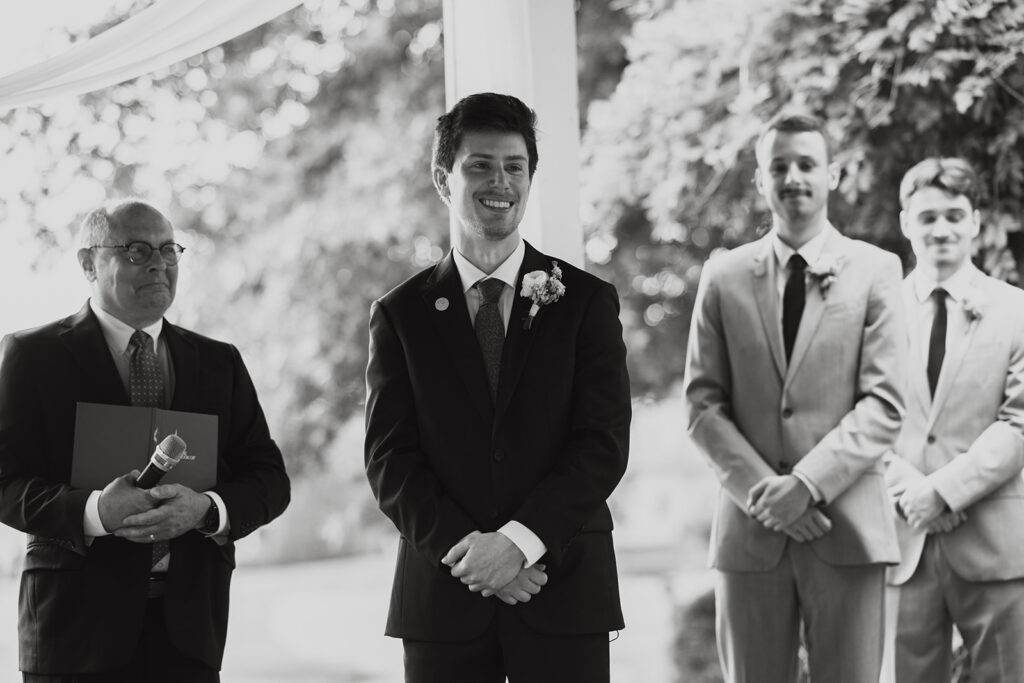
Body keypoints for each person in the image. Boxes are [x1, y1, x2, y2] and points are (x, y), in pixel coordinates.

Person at [363, 92, 631, 682]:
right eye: (479, 165)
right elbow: (389, 460)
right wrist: (474, 553)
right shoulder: (400, 314)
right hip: (443, 600)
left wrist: (518, 543)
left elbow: (603, 442)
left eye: (515, 166)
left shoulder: (586, 303)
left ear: (531, 178)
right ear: (444, 179)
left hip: (561, 591)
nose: (500, 181)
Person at [0, 199, 291, 682]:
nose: (158, 263)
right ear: (89, 263)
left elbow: (270, 480)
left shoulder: (220, 362)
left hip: (189, 635)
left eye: (169, 250)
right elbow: (4, 481)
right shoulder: (32, 356)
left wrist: (206, 508)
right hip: (73, 636)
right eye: (136, 250)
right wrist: (93, 511)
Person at [683, 111, 906, 682]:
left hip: (847, 529)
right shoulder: (723, 275)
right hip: (749, 532)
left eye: (807, 164)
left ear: (831, 174)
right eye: (777, 166)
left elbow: (884, 405)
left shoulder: (878, 271)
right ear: (761, 181)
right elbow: (702, 405)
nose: (793, 177)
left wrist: (805, 486)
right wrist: (768, 493)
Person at [880, 158, 1024, 682]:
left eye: (954, 215)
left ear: (975, 222)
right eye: (928, 217)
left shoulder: (1016, 310)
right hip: (901, 539)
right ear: (905, 224)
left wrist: (942, 490)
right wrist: (907, 488)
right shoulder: (875, 313)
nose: (941, 228)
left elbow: (1020, 422)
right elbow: (857, 416)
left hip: (994, 541)